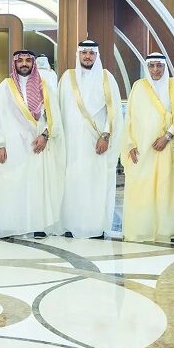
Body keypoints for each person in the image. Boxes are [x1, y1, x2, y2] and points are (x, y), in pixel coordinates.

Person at [0, 50, 64, 239]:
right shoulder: (5, 86)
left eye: (28, 60)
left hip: (36, 145)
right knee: (11, 186)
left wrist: (45, 135)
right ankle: (10, 226)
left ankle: (37, 225)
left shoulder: (44, 86)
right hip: (11, 146)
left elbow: (53, 115)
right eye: (20, 60)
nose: (24, 64)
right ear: (15, 63)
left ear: (33, 63)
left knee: (36, 187)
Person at [121, 52, 174, 243]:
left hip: (167, 148)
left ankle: (169, 231)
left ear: (165, 67)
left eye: (159, 66)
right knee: (142, 189)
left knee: (167, 190)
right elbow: (129, 118)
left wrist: (167, 136)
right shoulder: (138, 86)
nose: (155, 70)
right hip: (143, 150)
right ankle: (143, 229)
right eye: (151, 66)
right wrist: (130, 144)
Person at [58, 40, 122, 238]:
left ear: (97, 55)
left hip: (97, 143)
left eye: (91, 53)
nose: (87, 56)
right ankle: (71, 225)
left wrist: (106, 135)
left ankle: (95, 227)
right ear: (78, 54)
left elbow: (114, 111)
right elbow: (59, 111)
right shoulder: (67, 78)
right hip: (71, 145)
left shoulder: (106, 78)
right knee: (72, 183)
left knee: (96, 184)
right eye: (84, 53)